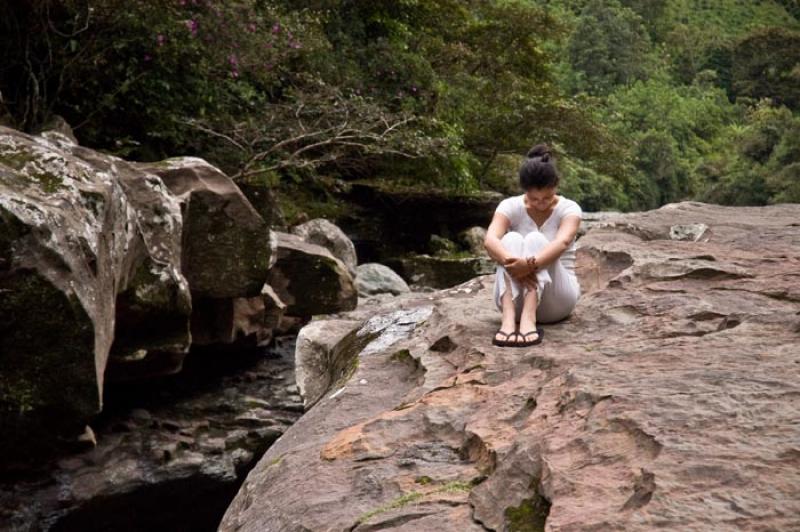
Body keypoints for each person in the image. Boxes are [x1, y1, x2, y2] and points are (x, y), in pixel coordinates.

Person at [483, 144, 582, 347]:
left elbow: (563, 242)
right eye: (534, 198)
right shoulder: (510, 205)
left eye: (547, 197)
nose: (541, 203)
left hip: (556, 301)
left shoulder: (570, 208)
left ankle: (529, 319)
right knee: (509, 240)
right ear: (524, 190)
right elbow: (490, 240)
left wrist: (529, 265)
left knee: (535, 239)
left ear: (556, 185)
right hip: (513, 299)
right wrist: (514, 265)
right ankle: (508, 320)